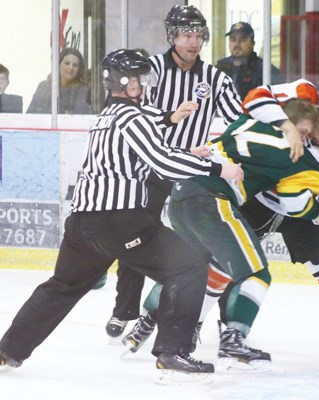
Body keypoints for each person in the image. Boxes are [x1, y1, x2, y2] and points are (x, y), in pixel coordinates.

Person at [0, 49, 244, 384]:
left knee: (62, 286)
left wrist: (186, 152)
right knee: (189, 266)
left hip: (83, 224)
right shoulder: (131, 117)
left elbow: (150, 154)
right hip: (119, 220)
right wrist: (219, 167)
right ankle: (173, 353)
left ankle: (10, 349)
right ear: (120, 81)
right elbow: (164, 163)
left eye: (143, 77)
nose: (142, 84)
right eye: (136, 78)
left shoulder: (107, 116)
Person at [123, 85, 319, 371]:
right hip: (210, 200)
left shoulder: (244, 122)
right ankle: (233, 340)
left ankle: (146, 322)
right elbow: (296, 204)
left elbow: (257, 96)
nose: (306, 139)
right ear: (291, 126)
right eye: (304, 131)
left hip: (180, 197)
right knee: (255, 272)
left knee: (187, 269)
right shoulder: (293, 152)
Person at [104, 4, 247, 339]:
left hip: (194, 170)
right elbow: (129, 110)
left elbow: (237, 124)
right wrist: (170, 115)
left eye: (198, 34)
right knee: (137, 235)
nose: (193, 41)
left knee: (213, 243)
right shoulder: (149, 70)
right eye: (185, 34)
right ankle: (124, 310)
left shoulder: (216, 79)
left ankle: (210, 322)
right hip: (152, 167)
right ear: (171, 36)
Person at [217, 84, 319, 360]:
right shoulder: (298, 106)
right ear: (316, 112)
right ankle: (198, 322)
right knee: (224, 260)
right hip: (260, 199)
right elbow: (254, 98)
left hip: (302, 211)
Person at [216, 21, 284, 100]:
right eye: (233, 39)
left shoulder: (264, 69)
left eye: (242, 40)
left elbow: (281, 97)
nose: (237, 44)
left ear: (252, 43)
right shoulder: (221, 67)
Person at [26, 47, 93, 114]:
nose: (71, 67)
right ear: (58, 65)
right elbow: (30, 115)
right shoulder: (44, 87)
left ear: (79, 69)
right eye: (67, 63)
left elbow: (90, 117)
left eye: (75, 65)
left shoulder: (84, 90)